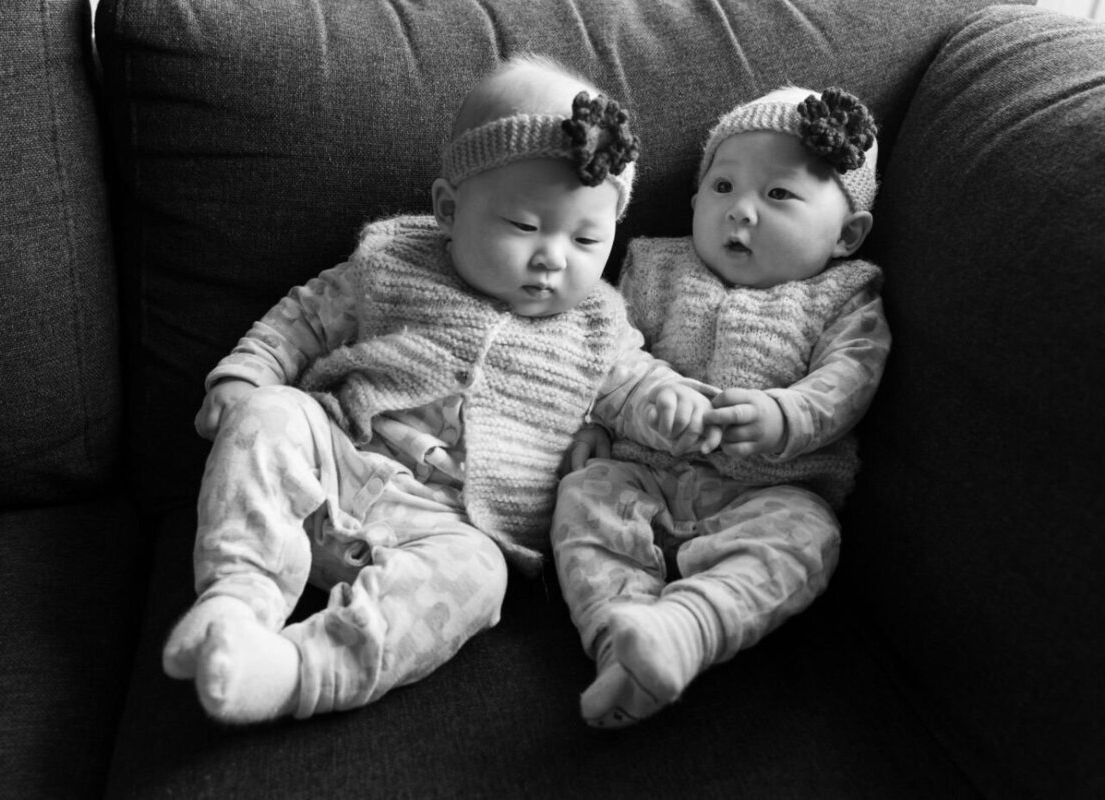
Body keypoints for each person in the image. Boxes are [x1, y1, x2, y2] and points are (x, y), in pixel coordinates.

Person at [161, 54, 719, 724]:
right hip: (333, 459)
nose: (554, 257)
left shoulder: (599, 323)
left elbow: (635, 384)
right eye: (525, 225)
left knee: (481, 581)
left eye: (587, 237)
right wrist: (247, 372)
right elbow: (307, 318)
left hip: (451, 526)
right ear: (449, 209)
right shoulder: (393, 260)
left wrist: (672, 406)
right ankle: (236, 599)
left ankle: (292, 671)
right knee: (267, 415)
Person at [551, 86, 892, 728]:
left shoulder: (847, 296)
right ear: (694, 200)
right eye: (723, 187)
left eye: (778, 194)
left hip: (769, 492)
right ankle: (619, 645)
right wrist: (603, 418)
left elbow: (851, 376)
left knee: (809, 539)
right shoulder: (653, 266)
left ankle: (691, 626)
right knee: (583, 497)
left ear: (847, 234)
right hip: (644, 470)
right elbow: (606, 347)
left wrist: (785, 414)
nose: (741, 212)